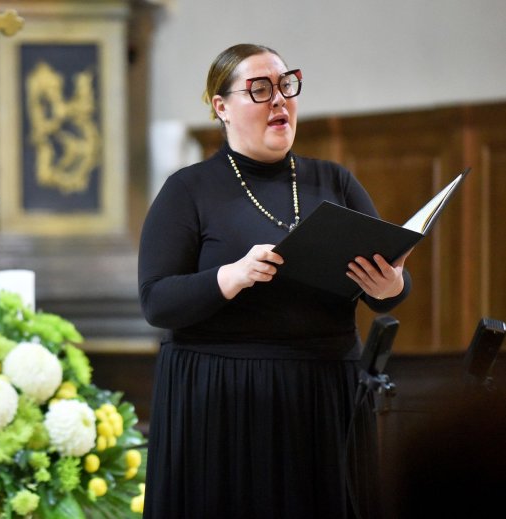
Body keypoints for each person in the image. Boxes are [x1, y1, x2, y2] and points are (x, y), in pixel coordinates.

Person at [138, 43, 412, 519]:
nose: (280, 100)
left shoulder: (335, 182)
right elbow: (157, 301)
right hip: (223, 399)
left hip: (325, 396)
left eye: (286, 85)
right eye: (260, 90)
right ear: (221, 107)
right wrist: (230, 277)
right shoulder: (188, 190)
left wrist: (391, 288)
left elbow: (391, 286)